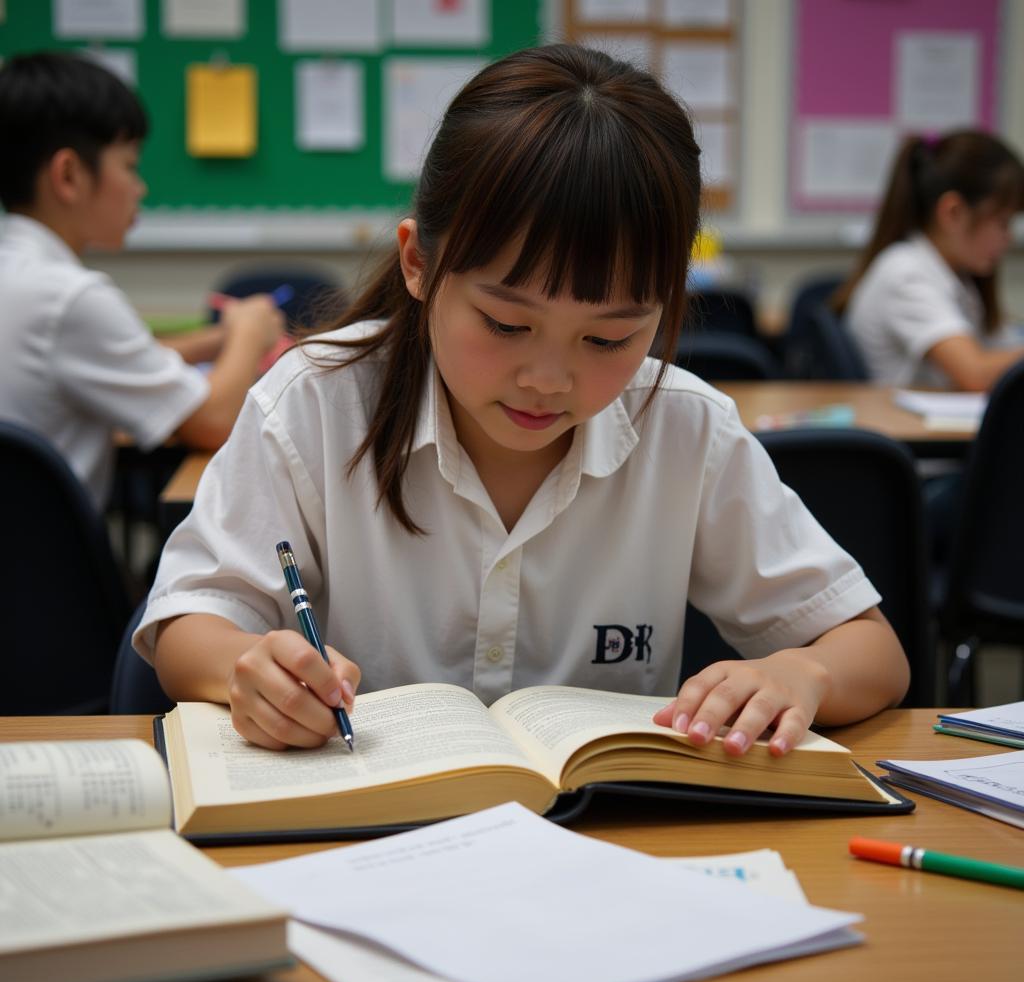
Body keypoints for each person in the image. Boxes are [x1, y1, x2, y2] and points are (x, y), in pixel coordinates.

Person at [137, 44, 909, 756]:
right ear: (417, 264)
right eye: (507, 323)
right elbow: (186, 625)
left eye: (608, 339)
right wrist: (249, 664)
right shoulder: (313, 403)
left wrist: (804, 675)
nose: (548, 379)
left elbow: (874, 652)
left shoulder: (684, 427)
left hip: (607, 853)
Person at [0, 52, 283, 510]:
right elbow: (214, 421)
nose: (141, 187)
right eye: (129, 165)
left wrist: (217, 338)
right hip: (51, 576)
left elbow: (130, 357)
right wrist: (249, 332)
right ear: (68, 175)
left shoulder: (20, 275)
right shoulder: (71, 297)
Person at [835, 131, 1024, 391]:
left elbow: (1001, 347)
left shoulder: (957, 275)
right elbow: (976, 374)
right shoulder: (905, 273)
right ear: (953, 213)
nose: (1009, 238)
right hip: (903, 429)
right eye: (1002, 223)